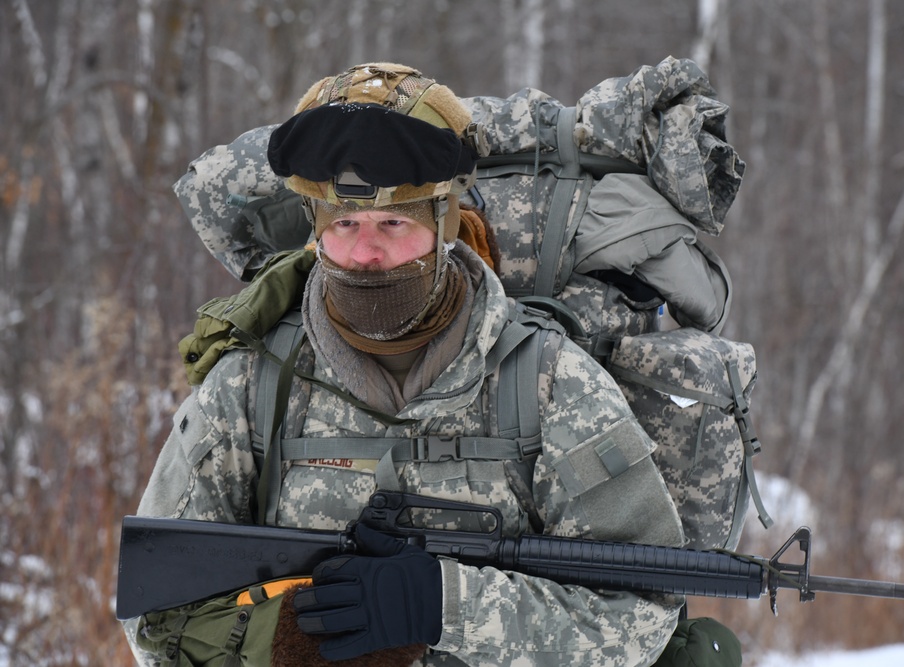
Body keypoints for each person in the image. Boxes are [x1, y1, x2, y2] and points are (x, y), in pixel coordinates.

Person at [123, 62, 686, 667]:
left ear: (444, 224)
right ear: (316, 230)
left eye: (393, 222)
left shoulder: (550, 382)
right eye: (344, 224)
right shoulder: (252, 385)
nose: (365, 253)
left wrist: (445, 605)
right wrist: (291, 636)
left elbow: (639, 619)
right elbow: (156, 613)